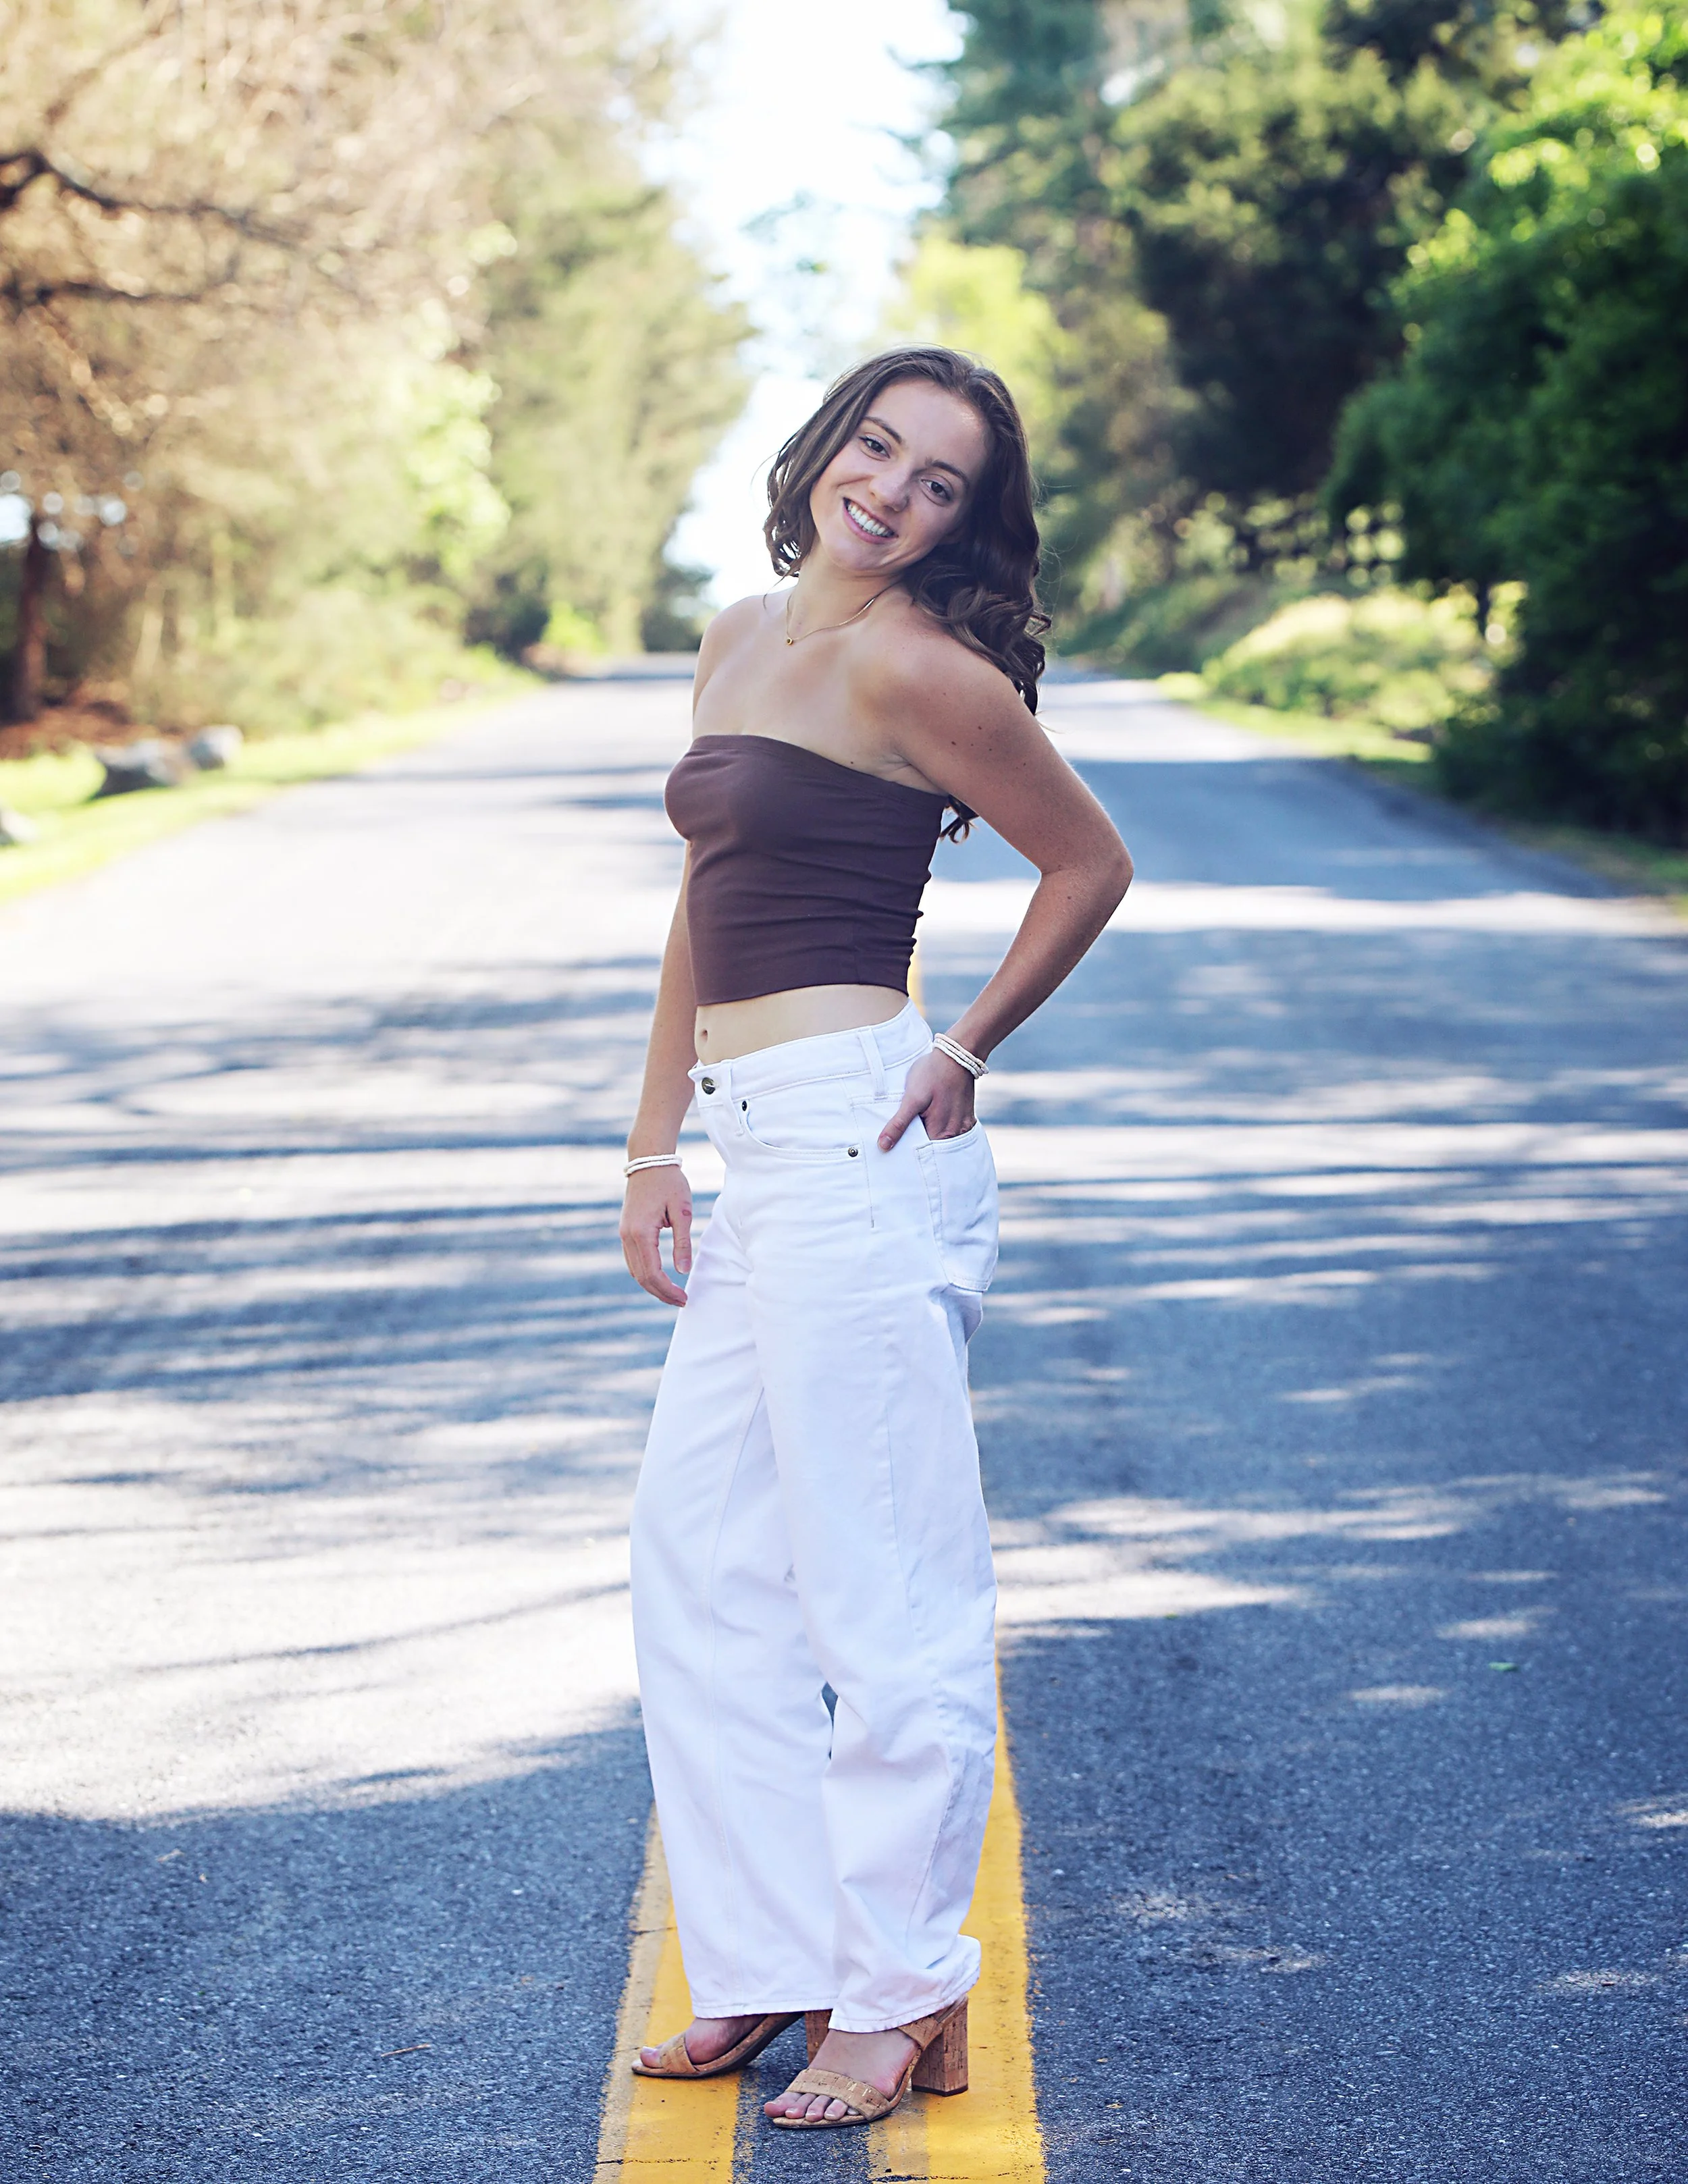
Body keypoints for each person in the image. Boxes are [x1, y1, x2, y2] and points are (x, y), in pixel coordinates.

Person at [618, 346, 1132, 2132]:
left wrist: (965, 1042)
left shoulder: (925, 669)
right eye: (878, 447)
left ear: (962, 524)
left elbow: (1087, 862)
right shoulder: (743, 635)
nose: (893, 491)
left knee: (880, 1590)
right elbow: (706, 897)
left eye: (938, 483)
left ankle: (901, 1997)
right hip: (758, 1156)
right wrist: (650, 1139)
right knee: (696, 1568)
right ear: (828, 443)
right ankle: (771, 1960)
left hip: (865, 1130)